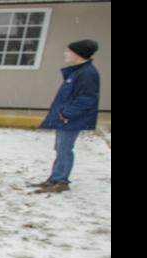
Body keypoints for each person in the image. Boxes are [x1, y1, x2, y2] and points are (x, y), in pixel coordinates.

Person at [35, 39, 100, 194]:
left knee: (64, 148)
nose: (65, 53)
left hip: (71, 119)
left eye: (69, 51)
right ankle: (54, 178)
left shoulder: (87, 73)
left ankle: (61, 181)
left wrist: (66, 114)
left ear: (78, 54)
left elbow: (86, 98)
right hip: (66, 117)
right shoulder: (78, 71)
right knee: (60, 147)